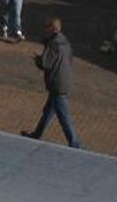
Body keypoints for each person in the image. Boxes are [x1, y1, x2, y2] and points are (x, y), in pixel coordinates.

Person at [23, 17, 80, 147]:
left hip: (57, 84)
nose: (45, 30)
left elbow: (45, 64)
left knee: (64, 116)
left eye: (47, 28)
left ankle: (75, 143)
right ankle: (37, 134)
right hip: (65, 80)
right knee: (48, 112)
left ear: (51, 29)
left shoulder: (53, 44)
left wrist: (37, 58)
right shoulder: (64, 42)